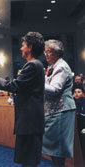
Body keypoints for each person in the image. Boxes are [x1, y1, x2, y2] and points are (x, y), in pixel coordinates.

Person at [0, 32, 45, 167]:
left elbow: (14, 86)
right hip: (31, 120)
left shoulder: (32, 65)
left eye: (23, 45)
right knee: (28, 160)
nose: (21, 48)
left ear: (30, 47)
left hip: (30, 121)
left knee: (29, 161)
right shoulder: (35, 64)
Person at [43, 39, 76, 167]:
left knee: (58, 150)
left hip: (61, 111)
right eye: (45, 52)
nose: (46, 55)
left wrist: (37, 82)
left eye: (49, 52)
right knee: (54, 149)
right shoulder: (53, 66)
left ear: (58, 53)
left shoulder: (61, 66)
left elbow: (55, 90)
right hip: (54, 111)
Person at [73, 87, 85, 165]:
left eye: (79, 92)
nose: (76, 93)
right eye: (75, 92)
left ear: (83, 94)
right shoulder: (71, 102)